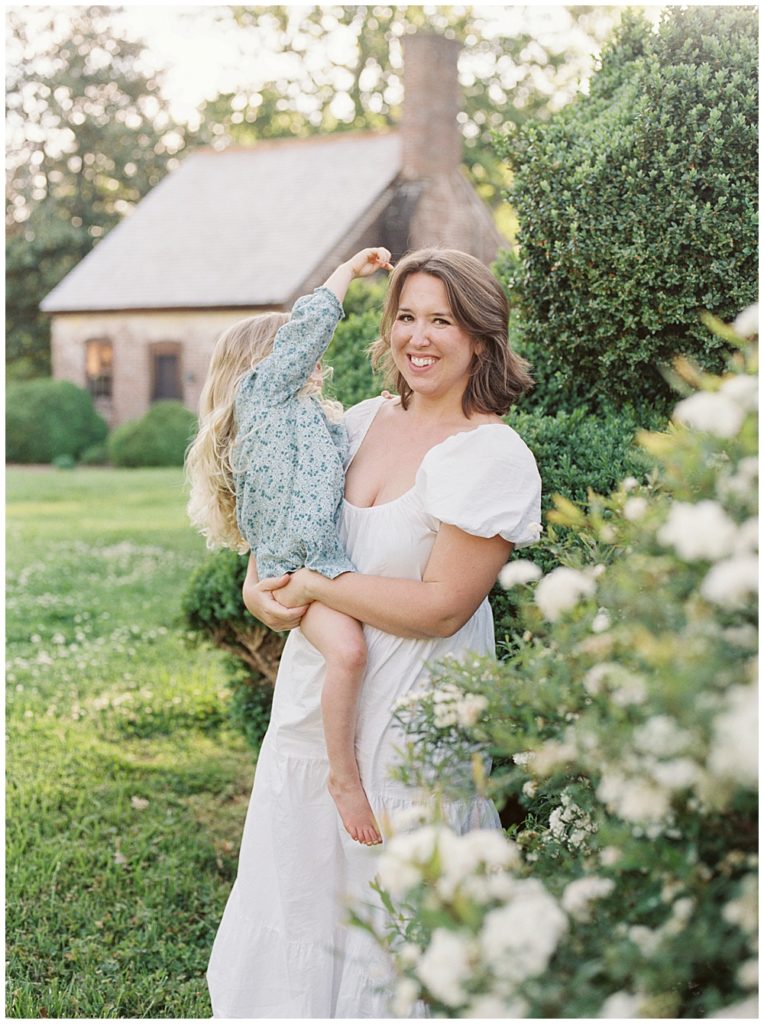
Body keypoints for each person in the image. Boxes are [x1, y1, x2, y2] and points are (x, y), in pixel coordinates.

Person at [206, 247, 542, 1018]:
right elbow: (280, 530)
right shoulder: (354, 422)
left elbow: (441, 608)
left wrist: (320, 585)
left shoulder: (490, 455)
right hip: (312, 722)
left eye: (443, 321)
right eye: (407, 317)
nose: (419, 338)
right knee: (297, 912)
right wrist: (262, 593)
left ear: (482, 339)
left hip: (408, 735)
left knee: (396, 944)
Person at [186, 246, 394, 847]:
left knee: (355, 654)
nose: (317, 359)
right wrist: (348, 274)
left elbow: (334, 469)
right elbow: (311, 326)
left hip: (315, 562)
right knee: (349, 655)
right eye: (303, 351)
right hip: (295, 569)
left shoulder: (303, 416)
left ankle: (343, 767)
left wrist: (384, 410)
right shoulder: (264, 398)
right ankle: (342, 776)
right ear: (263, 365)